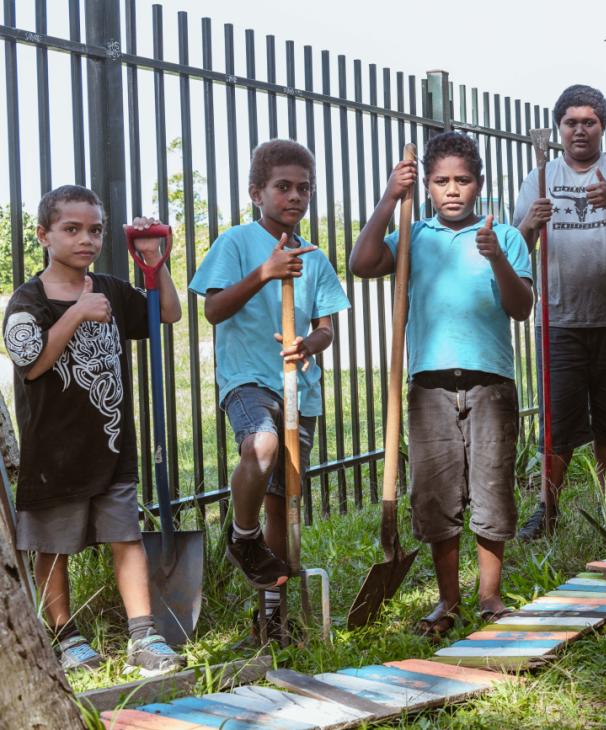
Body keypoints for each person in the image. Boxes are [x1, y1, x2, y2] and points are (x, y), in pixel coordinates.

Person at [349, 131, 533, 635]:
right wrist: (391, 198)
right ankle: (448, 600)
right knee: (434, 493)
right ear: (426, 185)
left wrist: (495, 255)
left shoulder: (506, 238)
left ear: (479, 184)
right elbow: (362, 264)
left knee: (492, 487)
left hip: (490, 380)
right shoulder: (414, 235)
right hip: (428, 382)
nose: (453, 190)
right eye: (441, 181)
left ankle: (489, 595)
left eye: (463, 180)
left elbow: (521, 308)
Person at [4, 185, 185, 676]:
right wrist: (78, 314)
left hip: (111, 447)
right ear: (43, 235)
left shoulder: (108, 287)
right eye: (72, 229)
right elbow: (33, 363)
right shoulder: (28, 301)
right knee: (54, 546)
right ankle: (67, 636)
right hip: (55, 454)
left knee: (126, 537)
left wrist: (154, 264)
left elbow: (167, 312)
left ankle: (144, 635)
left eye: (95, 230)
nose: (86, 239)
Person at [189, 140, 349, 640]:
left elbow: (327, 328)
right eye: (283, 187)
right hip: (249, 380)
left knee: (285, 500)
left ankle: (272, 614)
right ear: (257, 192)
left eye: (304, 188)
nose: (294, 197)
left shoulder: (314, 257)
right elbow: (214, 310)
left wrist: (309, 343)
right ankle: (242, 535)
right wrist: (266, 273)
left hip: (299, 388)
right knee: (260, 445)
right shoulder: (236, 244)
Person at [513, 84, 606, 540]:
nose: (579, 130)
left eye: (588, 122)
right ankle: (546, 509)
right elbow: (519, 250)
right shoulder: (539, 176)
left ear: (603, 128)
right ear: (559, 128)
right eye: (571, 122)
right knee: (558, 422)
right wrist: (529, 223)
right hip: (559, 319)